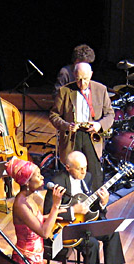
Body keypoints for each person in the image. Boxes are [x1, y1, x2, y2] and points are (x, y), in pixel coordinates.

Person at [43, 151, 128, 264]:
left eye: (85, 167)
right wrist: (72, 210)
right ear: (68, 168)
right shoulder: (58, 182)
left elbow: (93, 207)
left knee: (111, 230)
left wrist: (103, 203)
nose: (83, 172)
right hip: (66, 229)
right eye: (79, 169)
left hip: (86, 222)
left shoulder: (87, 178)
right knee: (92, 244)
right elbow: (47, 213)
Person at [50, 62, 114, 192]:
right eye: (78, 79)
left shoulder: (101, 90)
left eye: (85, 79)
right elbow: (53, 115)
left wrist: (99, 125)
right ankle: (71, 203)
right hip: (73, 135)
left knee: (94, 172)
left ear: (91, 75)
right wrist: (67, 126)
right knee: (72, 171)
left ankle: (97, 205)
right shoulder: (65, 91)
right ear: (74, 75)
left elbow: (110, 114)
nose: (82, 83)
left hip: (92, 135)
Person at [5, 157, 65, 264]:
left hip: (36, 255)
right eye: (38, 176)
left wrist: (48, 217)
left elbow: (29, 222)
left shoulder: (28, 197)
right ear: (27, 182)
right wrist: (55, 206)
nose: (42, 177)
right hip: (27, 259)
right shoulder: (21, 204)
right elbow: (44, 233)